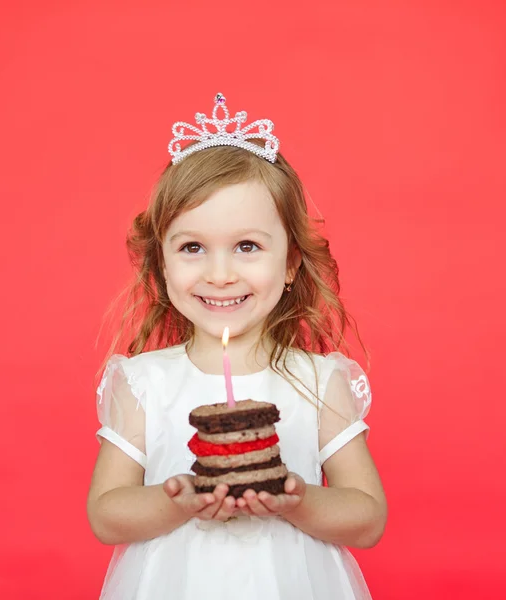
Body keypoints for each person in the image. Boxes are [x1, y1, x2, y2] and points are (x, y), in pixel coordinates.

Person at [87, 93, 387, 600]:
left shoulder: (319, 381)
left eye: (247, 246)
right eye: (192, 247)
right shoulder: (145, 382)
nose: (220, 274)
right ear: (162, 265)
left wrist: (297, 502)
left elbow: (368, 517)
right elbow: (106, 513)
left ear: (290, 263)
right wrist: (176, 501)